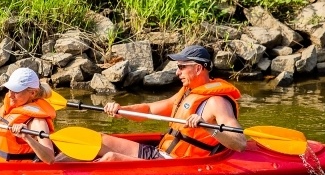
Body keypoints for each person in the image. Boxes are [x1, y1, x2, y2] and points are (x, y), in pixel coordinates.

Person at [96, 45, 246, 161]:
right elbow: (148, 110)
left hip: (180, 163)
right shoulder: (187, 92)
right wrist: (122, 109)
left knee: (111, 158)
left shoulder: (217, 102)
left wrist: (208, 128)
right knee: (98, 140)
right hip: (159, 153)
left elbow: (239, 143)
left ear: (198, 68)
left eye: (182, 67)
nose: (177, 72)